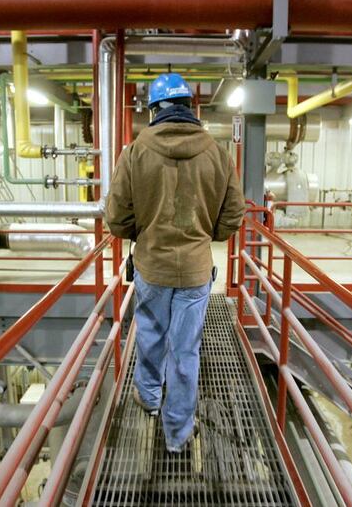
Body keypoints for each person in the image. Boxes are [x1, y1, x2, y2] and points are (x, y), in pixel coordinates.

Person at [106, 73, 245, 453]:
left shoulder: (134, 152)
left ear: (154, 110)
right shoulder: (217, 153)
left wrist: (145, 233)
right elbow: (234, 215)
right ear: (189, 108)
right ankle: (178, 433)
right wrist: (207, 236)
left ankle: (149, 398)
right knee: (186, 351)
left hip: (152, 267)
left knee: (150, 335)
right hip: (197, 271)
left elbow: (117, 219)